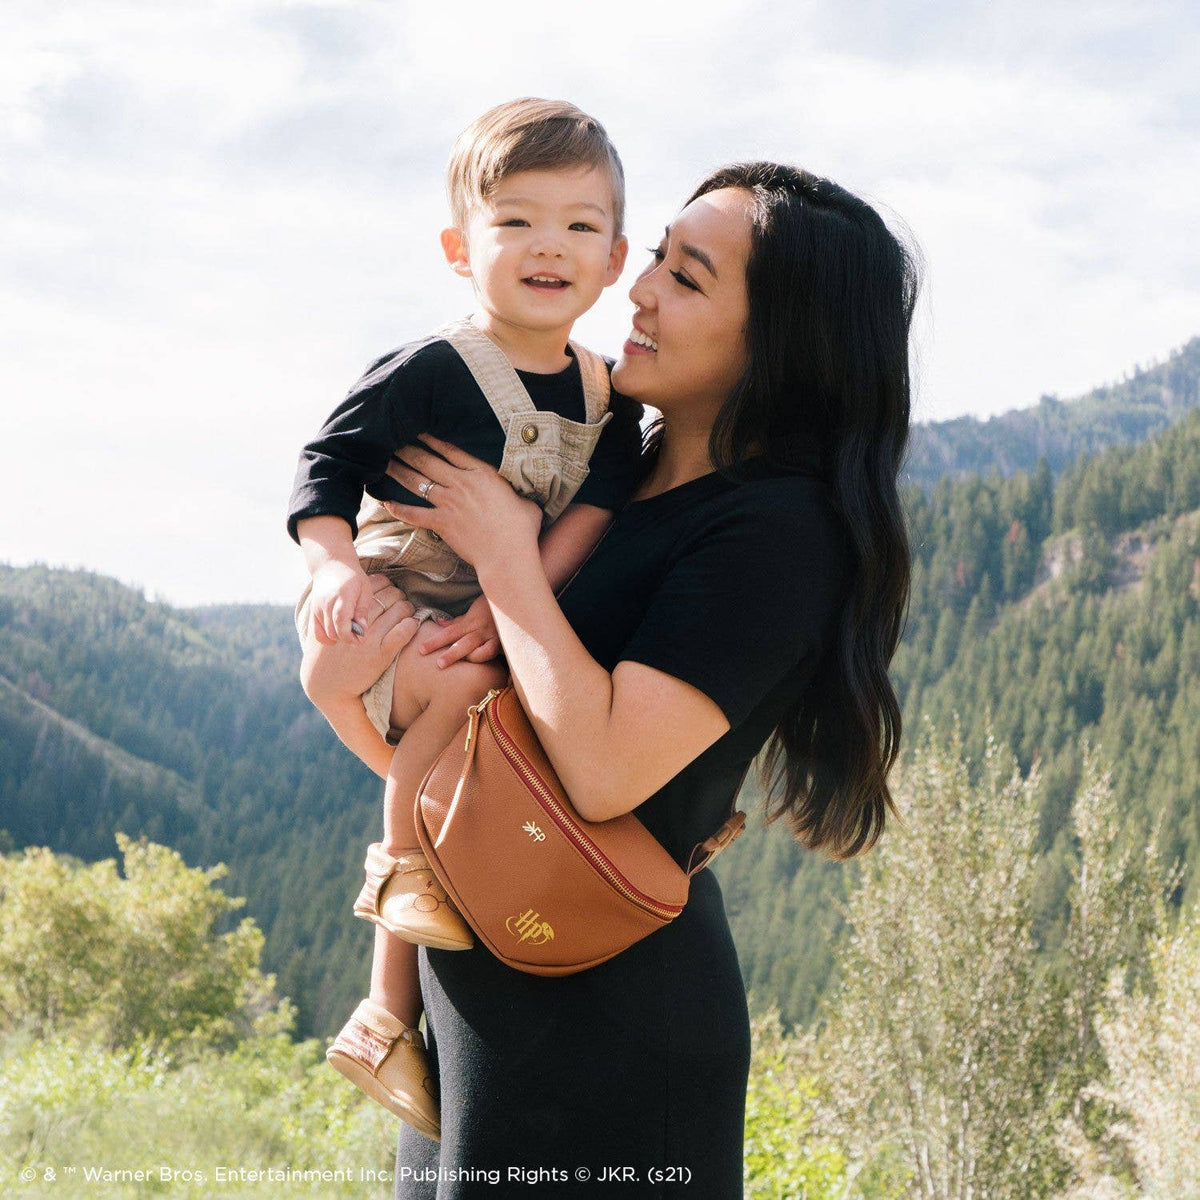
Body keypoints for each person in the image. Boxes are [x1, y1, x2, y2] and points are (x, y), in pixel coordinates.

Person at [335, 160, 918, 1197]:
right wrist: (347, 676)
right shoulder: (599, 474)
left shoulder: (780, 531)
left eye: (689, 278)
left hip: (608, 1017)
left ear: (783, 338)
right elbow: (457, 747)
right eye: (656, 255)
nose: (639, 287)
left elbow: (601, 771)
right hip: (474, 990)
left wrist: (509, 558)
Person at [285, 98, 643, 1140]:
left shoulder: (608, 397)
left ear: (615, 257)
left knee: (506, 723)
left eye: (580, 226)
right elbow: (323, 471)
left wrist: (503, 594)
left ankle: (387, 1010)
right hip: (400, 600)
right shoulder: (429, 370)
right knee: (466, 701)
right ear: (459, 248)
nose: (549, 246)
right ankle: (402, 885)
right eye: (516, 221)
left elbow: (592, 514)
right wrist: (329, 571)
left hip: (494, 604)